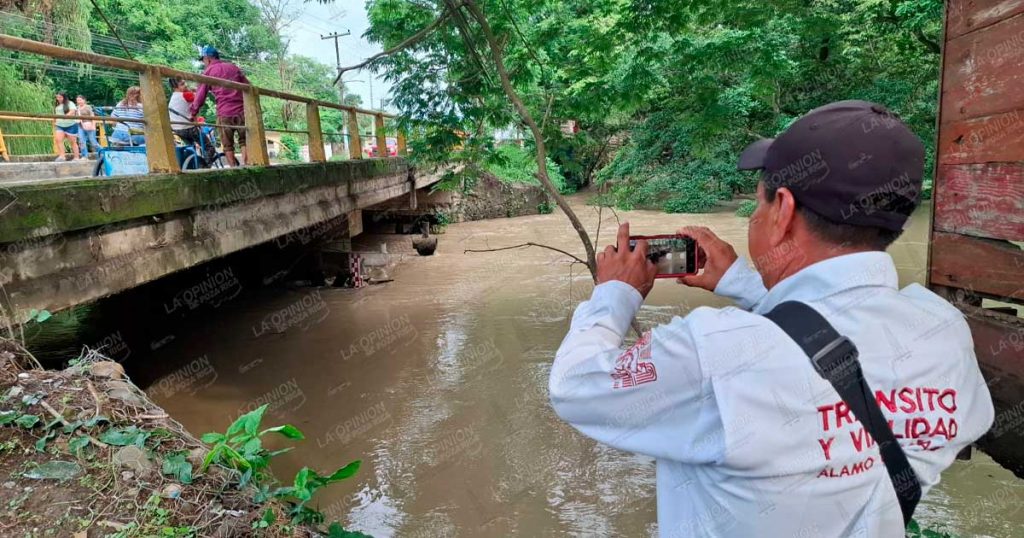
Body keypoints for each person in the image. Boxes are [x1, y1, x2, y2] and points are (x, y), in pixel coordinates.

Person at [549, 100, 994, 537]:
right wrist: (746, 283)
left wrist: (615, 293)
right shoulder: (943, 330)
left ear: (782, 211)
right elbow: (831, 340)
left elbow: (575, 387)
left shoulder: (715, 350)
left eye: (758, 204)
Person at [189, 45, 250, 167]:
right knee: (245, 141)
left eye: (204, 60)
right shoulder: (233, 67)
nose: (204, 63)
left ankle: (234, 170)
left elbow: (200, 95)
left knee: (227, 145)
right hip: (242, 112)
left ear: (208, 59)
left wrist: (193, 112)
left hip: (224, 113)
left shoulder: (208, 72)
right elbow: (249, 87)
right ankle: (248, 165)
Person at [52, 91, 81, 161]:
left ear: (64, 97)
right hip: (59, 125)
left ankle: (76, 157)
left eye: (60, 97)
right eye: (57, 97)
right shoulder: (56, 105)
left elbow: (73, 111)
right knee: (58, 140)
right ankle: (62, 156)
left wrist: (65, 116)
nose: (58, 98)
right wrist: (54, 122)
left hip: (71, 125)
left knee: (72, 142)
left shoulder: (70, 103)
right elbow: (55, 114)